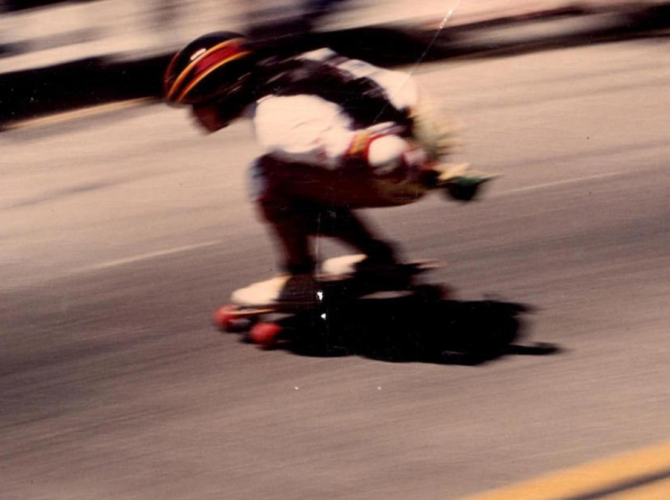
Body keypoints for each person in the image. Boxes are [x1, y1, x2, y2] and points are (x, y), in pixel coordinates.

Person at [163, 32, 491, 305]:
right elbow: (390, 88)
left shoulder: (276, 122)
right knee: (302, 170)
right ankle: (378, 257)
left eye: (196, 106)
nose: (193, 118)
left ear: (225, 94)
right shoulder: (307, 58)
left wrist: (438, 176)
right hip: (431, 125)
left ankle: (300, 273)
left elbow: (383, 153)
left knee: (267, 178)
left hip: (403, 165)